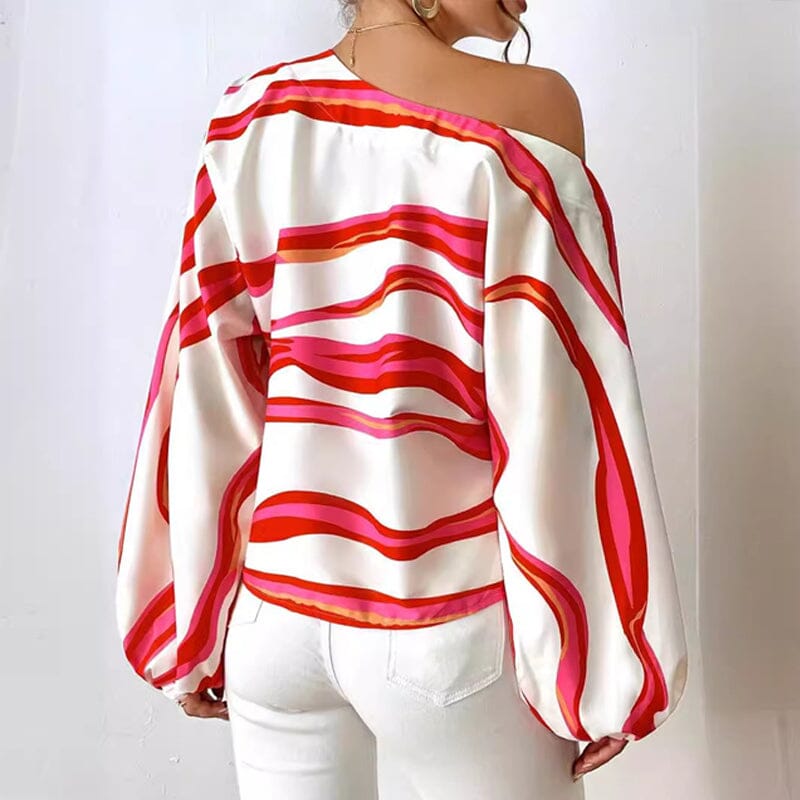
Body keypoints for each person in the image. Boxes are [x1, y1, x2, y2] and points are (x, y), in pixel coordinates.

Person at [115, 1, 689, 797]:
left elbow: (207, 385)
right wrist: (603, 672)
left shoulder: (249, 119)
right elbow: (558, 412)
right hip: (446, 628)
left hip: (272, 623)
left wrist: (186, 621)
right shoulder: (527, 115)